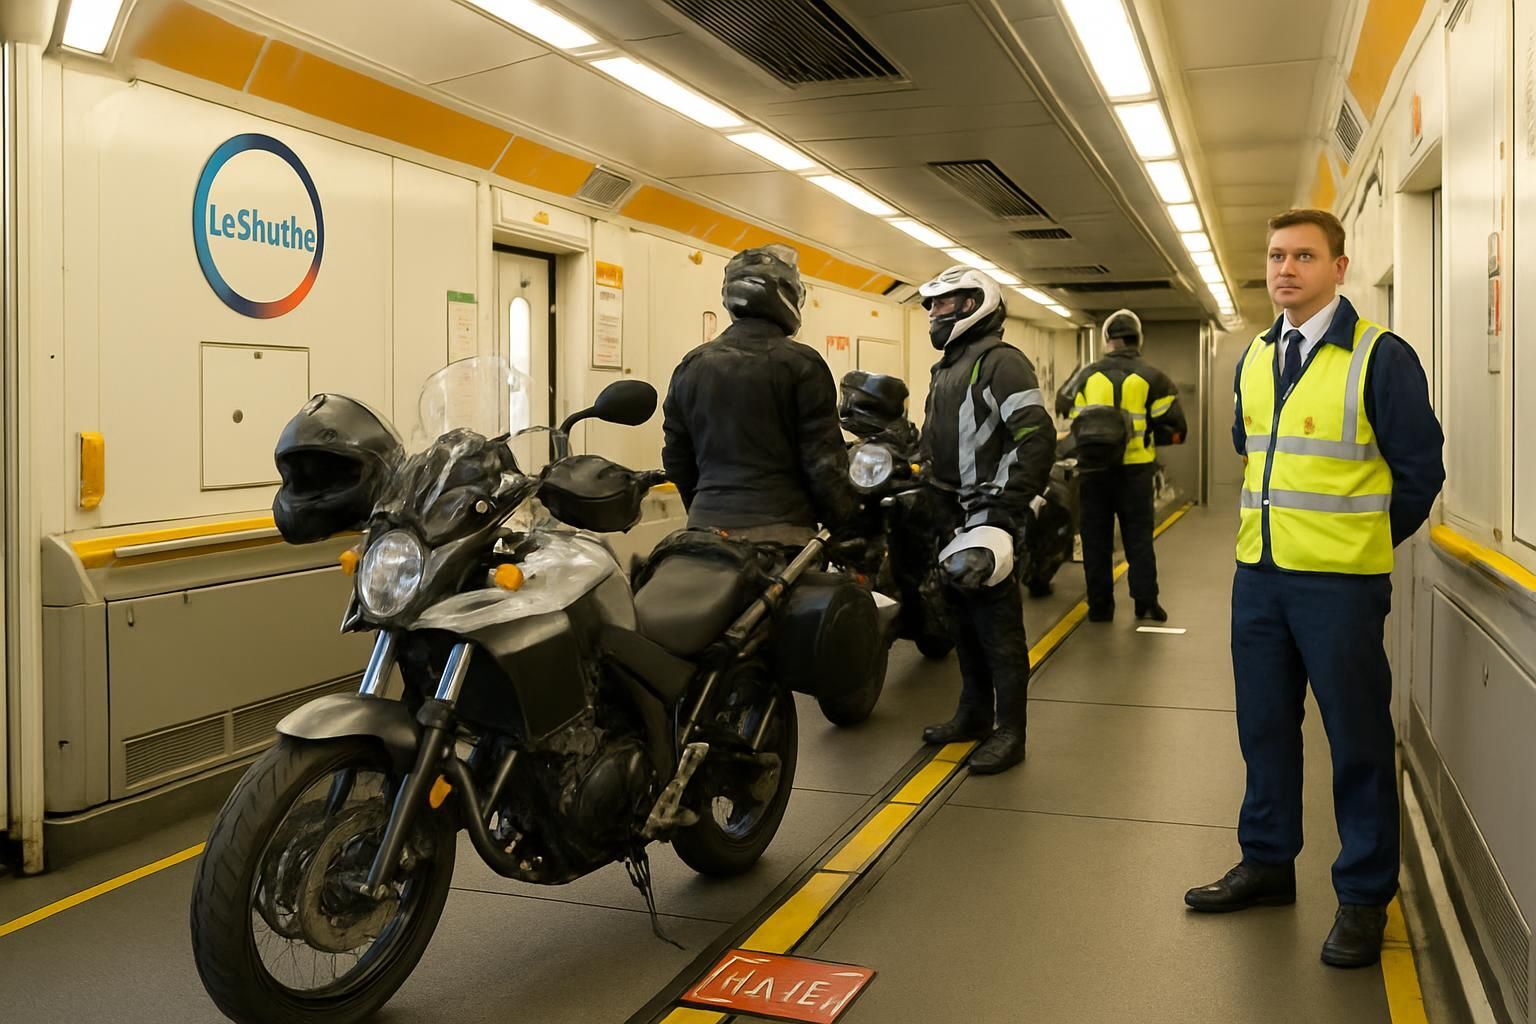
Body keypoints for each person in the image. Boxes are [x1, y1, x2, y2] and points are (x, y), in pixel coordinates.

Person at [1184, 209, 1445, 969]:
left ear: (1339, 266)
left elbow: (1419, 473)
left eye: (1303, 255)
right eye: (1275, 256)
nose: (1285, 268)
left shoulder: (1380, 357)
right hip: (1259, 581)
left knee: (1357, 741)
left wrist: (1359, 542)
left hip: (1339, 590)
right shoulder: (1258, 357)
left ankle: (1364, 898)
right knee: (1263, 730)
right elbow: (1251, 450)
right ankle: (1267, 863)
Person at [916, 266, 1055, 775]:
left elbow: (1036, 437)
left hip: (985, 513)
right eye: (932, 305)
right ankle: (973, 713)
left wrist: (1000, 511)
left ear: (978, 304)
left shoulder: (1001, 362)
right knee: (962, 624)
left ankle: (1011, 732)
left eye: (947, 304)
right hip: (946, 511)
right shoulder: (948, 366)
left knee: (998, 628)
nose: (935, 313)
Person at [661, 244, 862, 550]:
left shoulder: (692, 364)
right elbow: (823, 463)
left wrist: (705, 509)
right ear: (787, 294)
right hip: (782, 532)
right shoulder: (802, 364)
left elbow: (677, 457)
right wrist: (847, 527)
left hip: (704, 529)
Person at [1065, 308, 1186, 622]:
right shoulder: (1154, 378)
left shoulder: (1086, 376)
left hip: (1093, 472)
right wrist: (1145, 437)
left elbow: (1064, 407)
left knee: (1095, 541)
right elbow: (1176, 429)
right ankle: (1146, 603)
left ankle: (1100, 607)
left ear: (1107, 340)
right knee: (1139, 540)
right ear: (1138, 340)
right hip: (1136, 471)